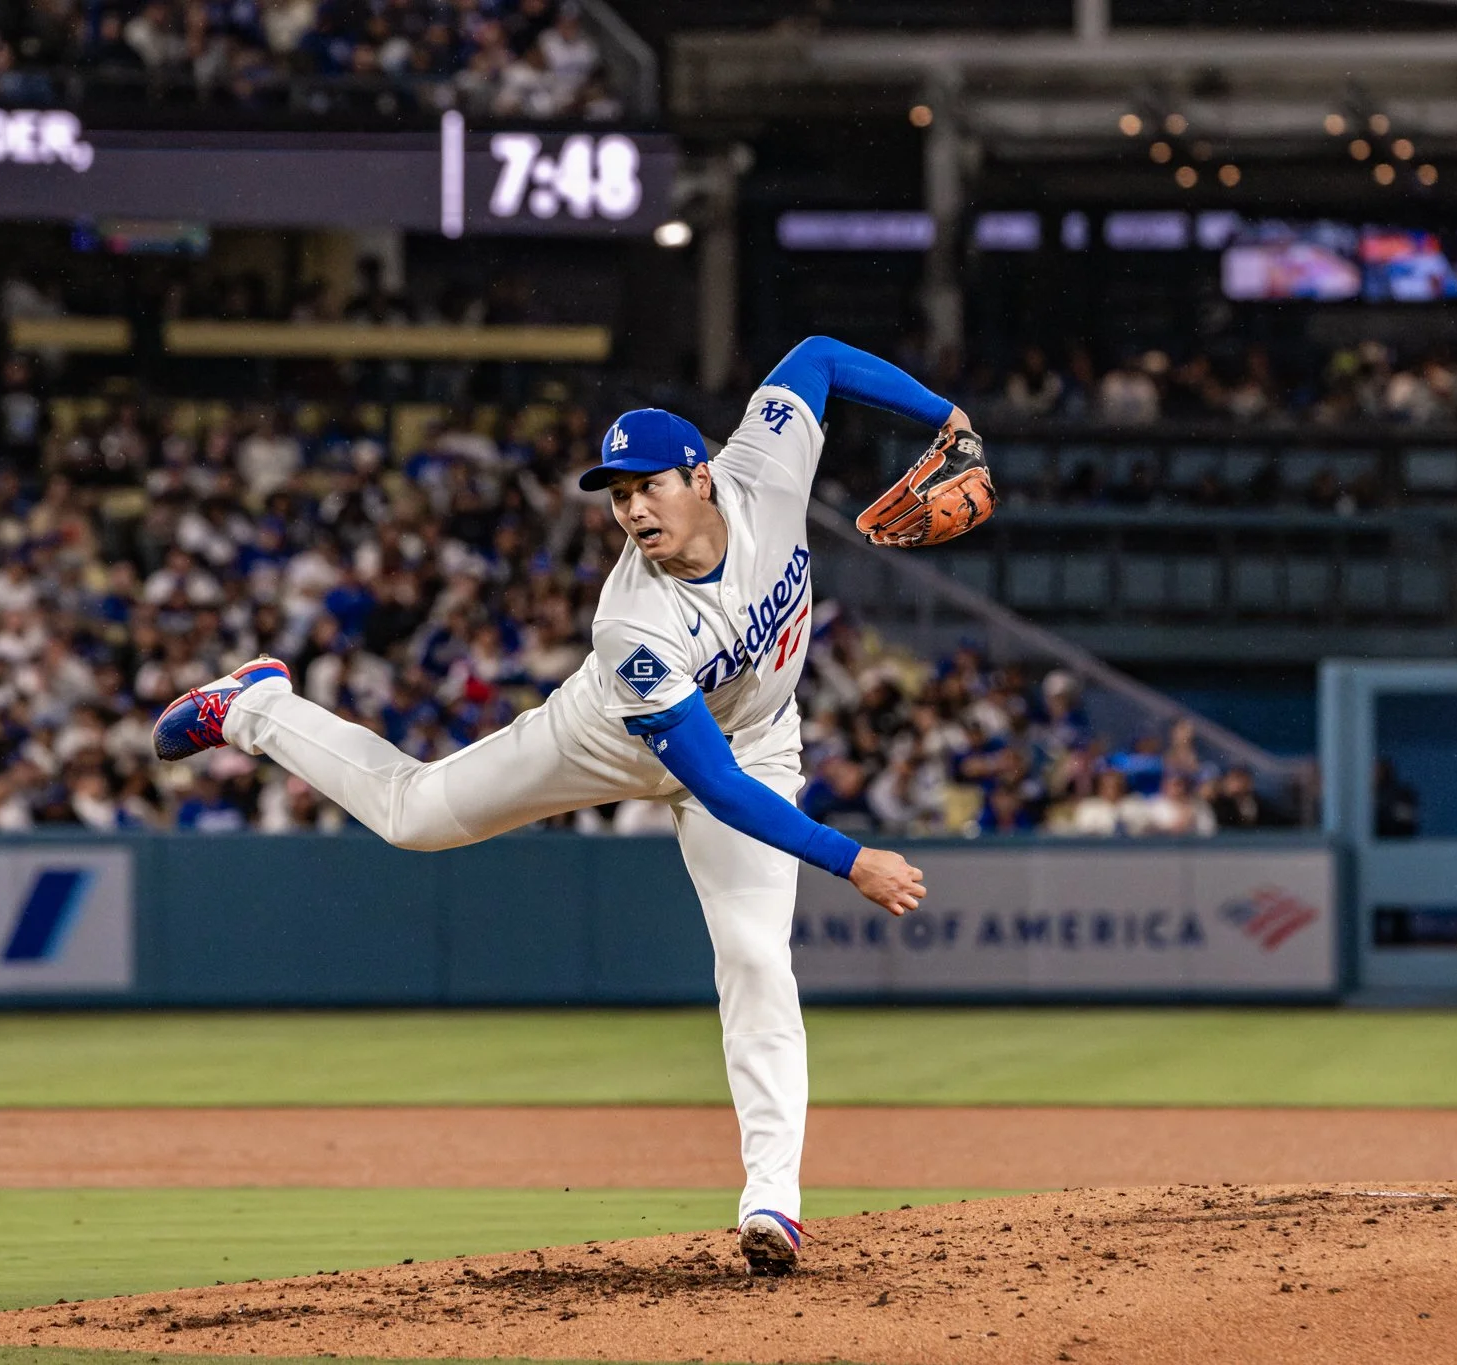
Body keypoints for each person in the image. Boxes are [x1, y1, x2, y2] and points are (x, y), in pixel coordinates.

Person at [152, 335, 991, 1276]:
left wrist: (947, 418)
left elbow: (820, 356)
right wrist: (849, 857)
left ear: (701, 477)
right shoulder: (633, 622)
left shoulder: (766, 465)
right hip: (609, 735)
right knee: (414, 817)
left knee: (757, 958)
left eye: (648, 487)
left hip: (758, 736)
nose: (633, 509)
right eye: (618, 495)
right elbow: (713, 785)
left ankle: (773, 1204)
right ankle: (257, 706)